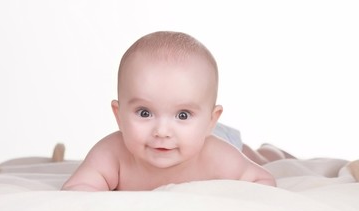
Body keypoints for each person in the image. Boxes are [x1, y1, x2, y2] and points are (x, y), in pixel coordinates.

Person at [62, 31, 280, 191]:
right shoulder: (112, 154)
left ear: (210, 120)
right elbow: (79, 189)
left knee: (259, 156)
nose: (162, 131)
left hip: (220, 139)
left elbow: (263, 180)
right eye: (144, 113)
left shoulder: (219, 157)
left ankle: (271, 149)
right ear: (118, 116)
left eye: (182, 114)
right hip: (193, 134)